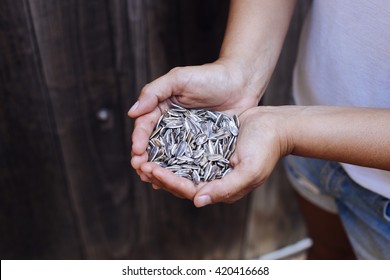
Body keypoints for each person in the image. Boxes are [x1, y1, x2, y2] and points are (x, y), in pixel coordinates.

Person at [129, 0, 390, 259]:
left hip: (376, 182)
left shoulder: (285, 130)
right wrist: (241, 69)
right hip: (309, 128)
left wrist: (286, 131)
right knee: (327, 254)